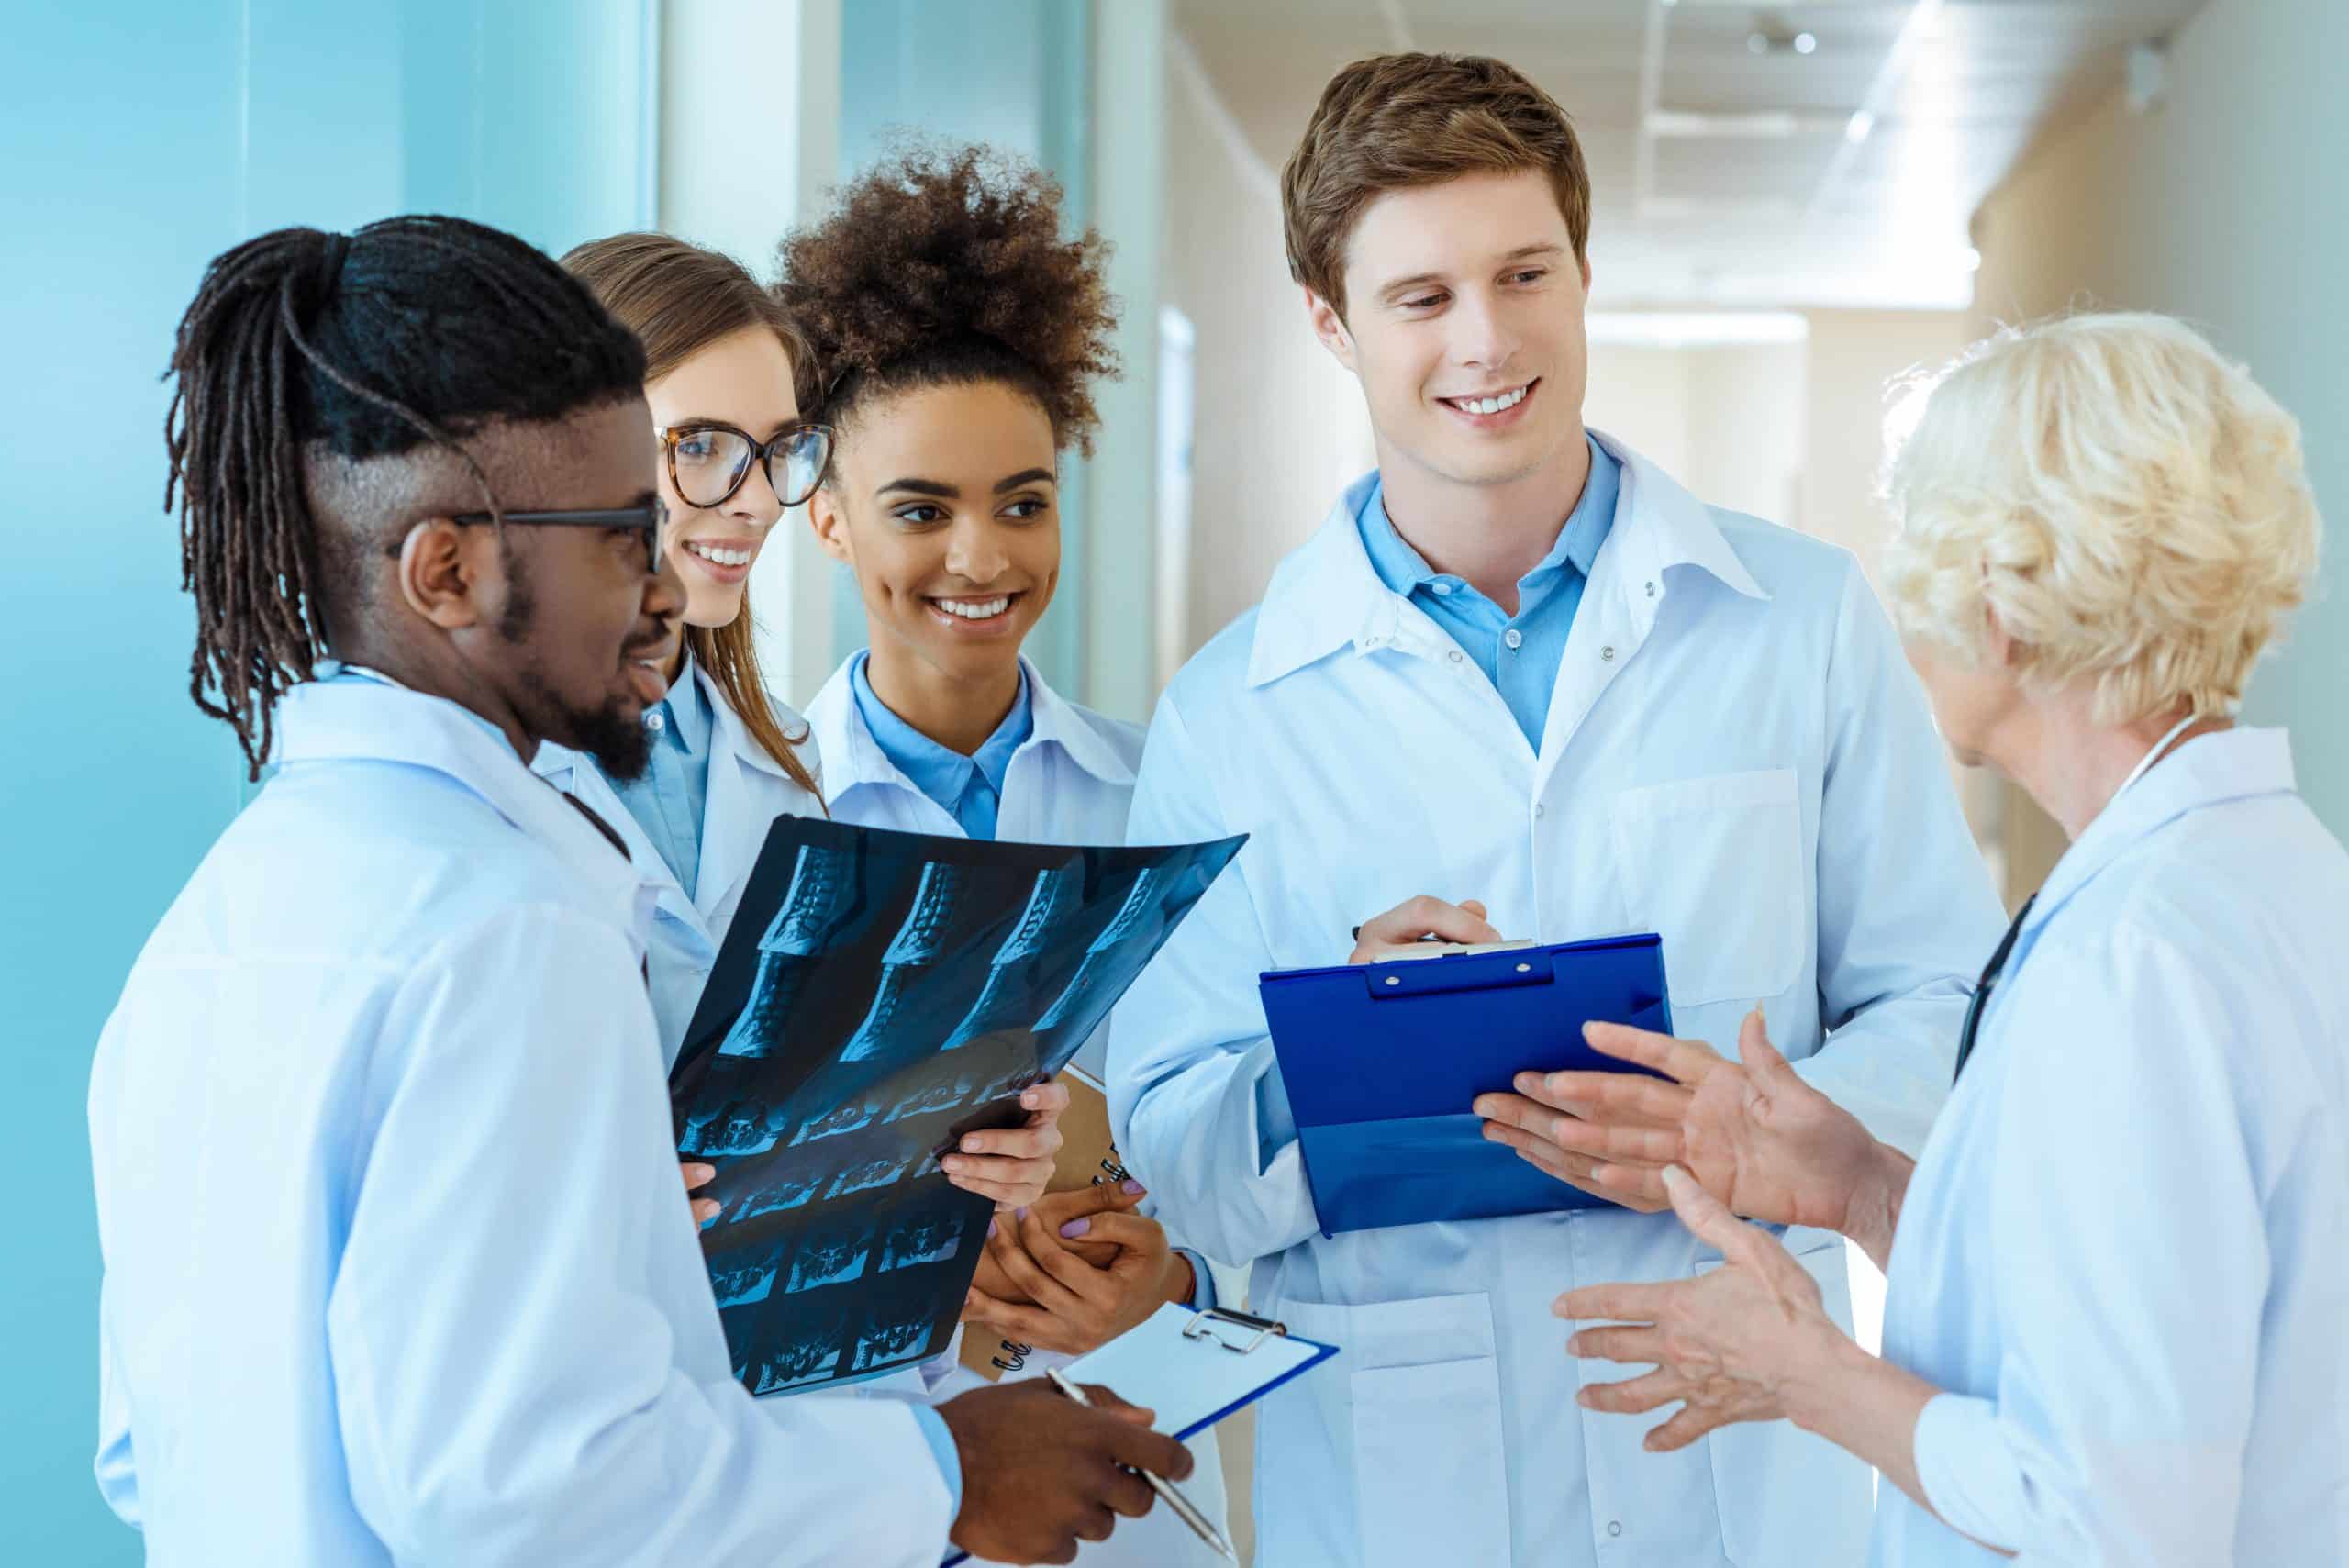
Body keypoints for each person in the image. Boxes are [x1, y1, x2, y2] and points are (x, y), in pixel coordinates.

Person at [88, 216, 1189, 1568]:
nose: (666, 574)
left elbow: (144, 1444)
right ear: (446, 569)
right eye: (626, 528)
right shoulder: (510, 923)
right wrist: (940, 1473)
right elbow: (533, 1492)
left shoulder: (222, 918)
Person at [1106, 52, 2004, 1567]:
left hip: (1746, 1452)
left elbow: (1944, 997)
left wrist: (1781, 1130)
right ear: (1330, 324)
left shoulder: (1795, 618)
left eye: (1526, 272)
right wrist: (1329, 1044)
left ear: (1586, 270)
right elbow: (1171, 1138)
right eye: (1420, 297)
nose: (1487, 339)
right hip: (1410, 1487)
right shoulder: (1231, 707)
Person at [1516, 313, 2345, 1566]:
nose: (1905, 620)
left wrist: (1801, 1372)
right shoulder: (2275, 876)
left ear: (2003, 606)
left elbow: (2108, 1512)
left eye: (1922, 561)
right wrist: (1862, 1186)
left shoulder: (2131, 966)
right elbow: (2154, 1317)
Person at [784, 146, 1237, 1566]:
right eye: (920, 509)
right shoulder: (761, 828)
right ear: (826, 517)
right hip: (868, 1491)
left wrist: (1173, 1270)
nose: (980, 556)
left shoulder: (1161, 795)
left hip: (1131, 1468)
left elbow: (1231, 1168)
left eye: (1023, 501)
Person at [549, 229, 1069, 1216]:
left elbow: (800, 1111)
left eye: (778, 452)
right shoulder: (494, 765)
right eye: (697, 447)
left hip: (765, 1356)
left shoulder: (784, 761)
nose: (751, 501)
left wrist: (971, 1150)